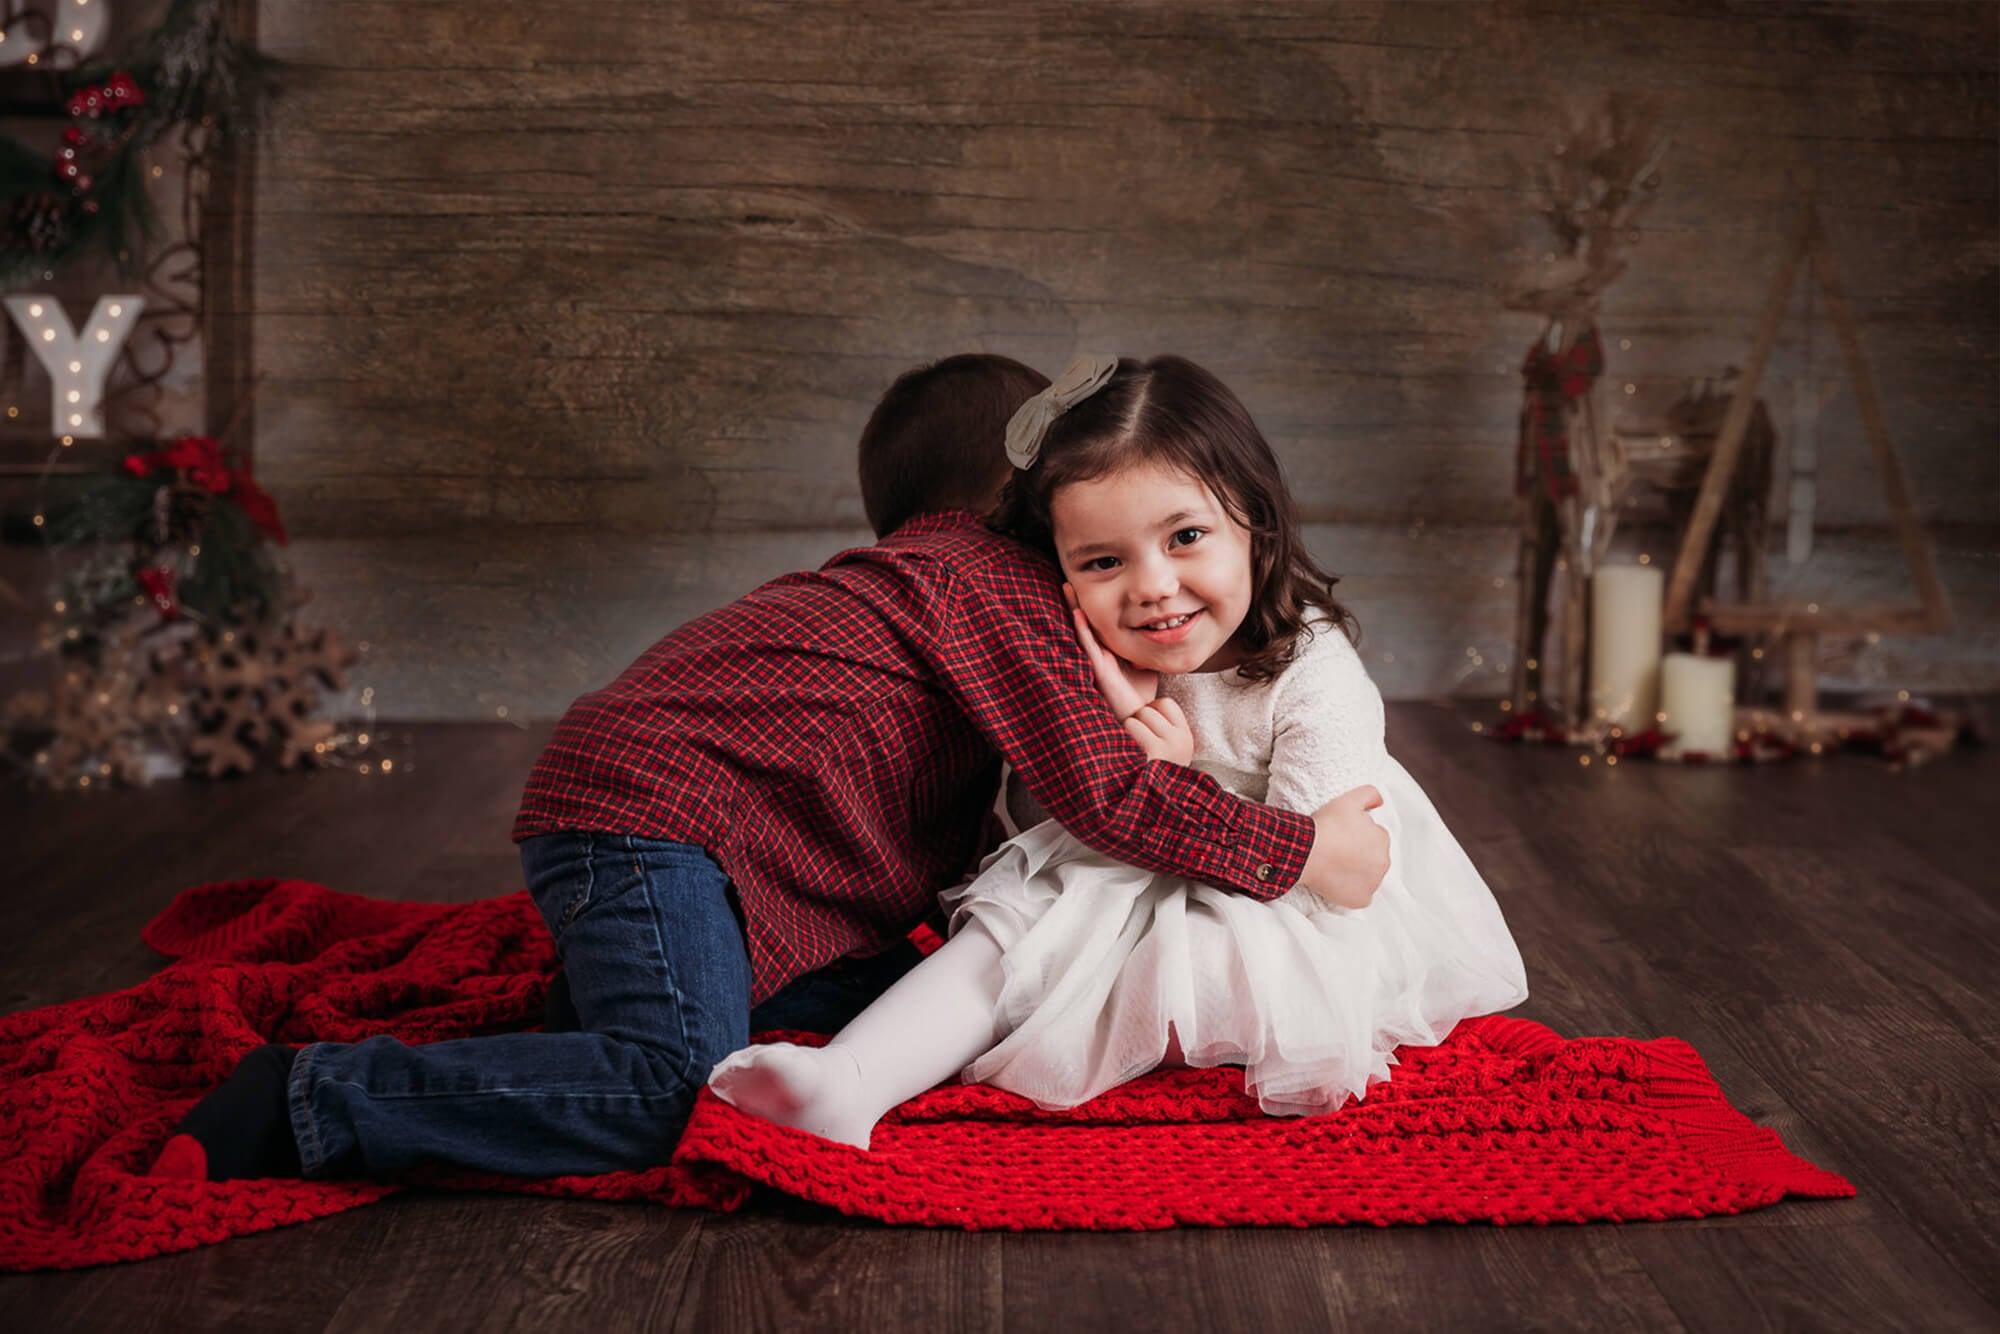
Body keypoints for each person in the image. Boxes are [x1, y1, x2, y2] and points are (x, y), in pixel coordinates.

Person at [150, 353, 1389, 1183]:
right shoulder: (989, 579)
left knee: (853, 1015)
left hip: (681, 828)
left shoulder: (957, 591)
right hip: (654, 814)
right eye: (1083, 538)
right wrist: (1303, 850)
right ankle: (307, 1099)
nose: (1110, 573)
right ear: (1028, 508)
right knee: (668, 1089)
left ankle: (582, 1036)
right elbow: (1104, 805)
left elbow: (978, 840)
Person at [708, 354, 1529, 1148]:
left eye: (1186, 537)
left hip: (1294, 937)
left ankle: (996, 1035)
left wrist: (1176, 780)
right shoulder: (1087, 656)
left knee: (1067, 937)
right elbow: (1048, 830)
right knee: (1017, 921)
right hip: (1158, 893)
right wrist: (1125, 747)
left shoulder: (1311, 670)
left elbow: (1334, 880)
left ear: (1254, 523)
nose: (1151, 586)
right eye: (1104, 561)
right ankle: (852, 1079)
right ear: (1055, 574)